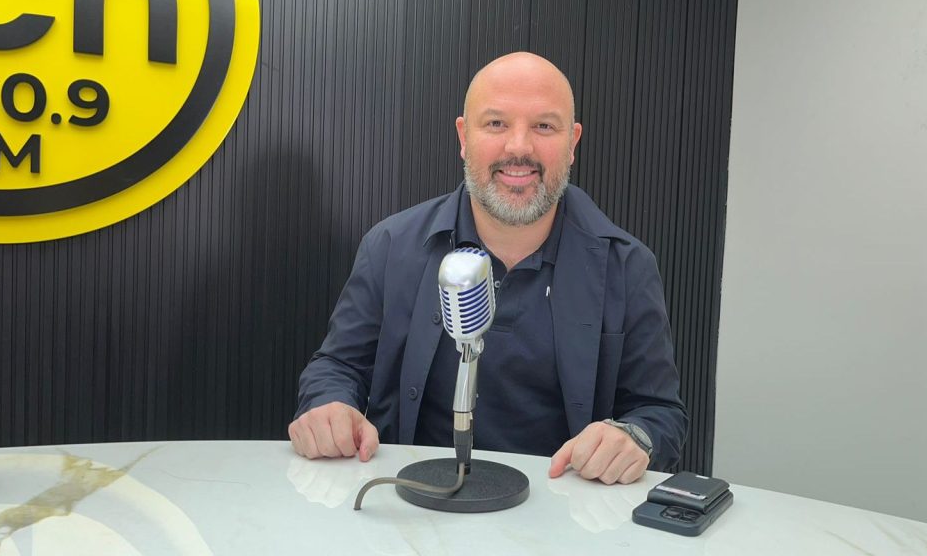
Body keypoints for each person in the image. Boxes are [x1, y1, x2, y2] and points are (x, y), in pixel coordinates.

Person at [289, 52, 688, 485]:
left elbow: (660, 413)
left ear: (572, 142)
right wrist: (329, 406)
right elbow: (337, 367)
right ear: (464, 136)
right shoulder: (390, 247)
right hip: (414, 504)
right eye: (496, 123)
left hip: (563, 512)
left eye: (544, 126)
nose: (519, 148)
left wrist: (634, 437)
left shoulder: (627, 267)